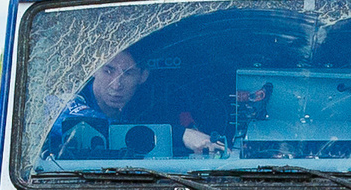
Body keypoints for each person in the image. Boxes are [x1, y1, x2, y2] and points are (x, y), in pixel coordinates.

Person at [42, 46, 228, 158]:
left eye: (128, 73)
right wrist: (180, 135)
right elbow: (94, 127)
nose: (116, 85)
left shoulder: (149, 105)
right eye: (108, 70)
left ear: (143, 76)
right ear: (92, 69)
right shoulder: (64, 102)